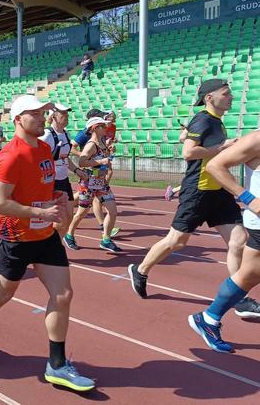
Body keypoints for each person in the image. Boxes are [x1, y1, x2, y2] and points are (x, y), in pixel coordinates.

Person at [0, 95, 94, 392]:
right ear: (18, 120)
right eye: (35, 113)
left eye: (43, 113)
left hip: (44, 234)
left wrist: (57, 199)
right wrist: (40, 211)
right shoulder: (11, 155)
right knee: (4, 291)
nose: (42, 117)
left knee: (63, 294)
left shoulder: (46, 149)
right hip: (15, 236)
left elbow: (42, 188)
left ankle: (57, 365)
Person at [128, 79, 260, 317]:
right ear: (210, 97)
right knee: (176, 241)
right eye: (226, 93)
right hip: (198, 190)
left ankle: (240, 298)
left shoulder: (216, 122)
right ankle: (141, 269)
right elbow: (188, 152)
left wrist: (217, 144)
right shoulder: (204, 119)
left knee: (238, 240)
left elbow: (188, 140)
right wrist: (222, 147)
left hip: (218, 191)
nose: (231, 97)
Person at [188, 129, 260, 353]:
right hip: (259, 220)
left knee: (250, 274)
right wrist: (248, 198)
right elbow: (214, 166)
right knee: (249, 274)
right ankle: (209, 317)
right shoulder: (256, 139)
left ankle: (208, 318)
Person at [65, 117, 121, 252]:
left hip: (100, 182)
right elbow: (82, 162)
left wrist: (109, 151)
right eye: (102, 126)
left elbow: (101, 158)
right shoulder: (91, 145)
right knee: (82, 212)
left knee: (112, 211)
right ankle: (69, 235)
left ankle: (106, 239)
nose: (106, 128)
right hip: (88, 182)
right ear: (95, 128)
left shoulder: (102, 141)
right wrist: (101, 161)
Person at [39, 104, 85, 249]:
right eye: (63, 115)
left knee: (69, 216)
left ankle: (55, 245)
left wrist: (77, 170)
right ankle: (50, 248)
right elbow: (37, 158)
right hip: (50, 181)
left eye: (67, 115)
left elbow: (65, 158)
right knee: (58, 220)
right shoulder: (46, 135)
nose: (66, 118)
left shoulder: (66, 134)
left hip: (63, 179)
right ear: (53, 117)